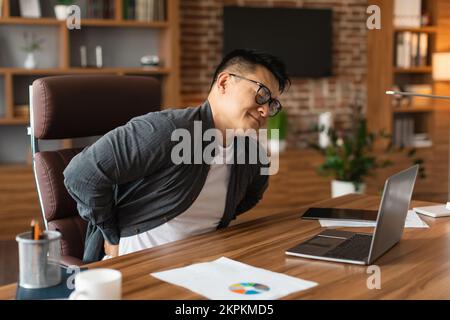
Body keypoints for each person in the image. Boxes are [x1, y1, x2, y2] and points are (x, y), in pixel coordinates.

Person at [63, 49, 290, 263]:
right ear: (224, 83)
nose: (265, 110)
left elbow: (252, 196)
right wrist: (111, 234)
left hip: (206, 267)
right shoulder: (168, 130)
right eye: (262, 95)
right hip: (137, 266)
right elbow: (81, 175)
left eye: (272, 104)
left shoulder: (251, 153)